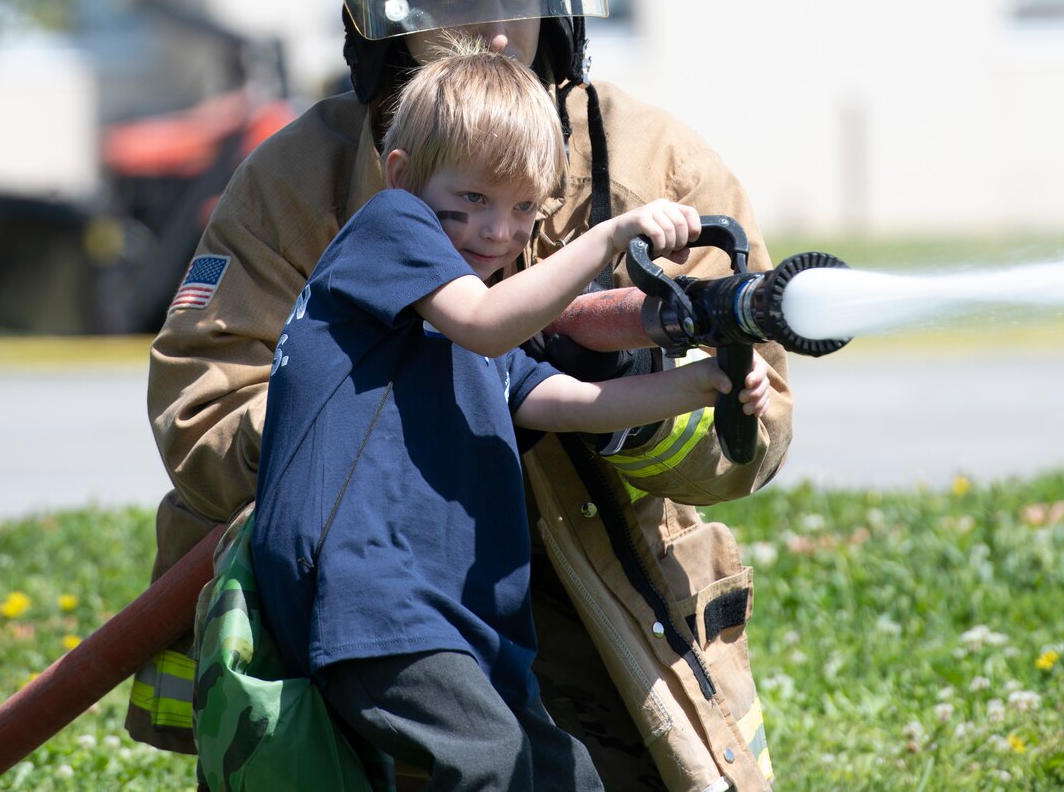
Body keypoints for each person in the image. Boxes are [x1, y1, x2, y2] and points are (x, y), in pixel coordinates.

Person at [129, 0, 789, 792]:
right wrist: (359, 427)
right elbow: (201, 398)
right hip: (368, 607)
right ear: (382, 1)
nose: (489, 32)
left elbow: (756, 429)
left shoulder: (653, 163)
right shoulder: (300, 184)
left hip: (594, 601)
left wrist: (665, 390)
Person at [250, 45, 770, 792]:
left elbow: (574, 403)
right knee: (491, 764)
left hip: (454, 618)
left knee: (566, 778)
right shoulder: (390, 230)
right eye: (471, 200)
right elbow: (488, 322)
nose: (498, 230)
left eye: (525, 208)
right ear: (403, 176)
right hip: (371, 595)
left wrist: (707, 382)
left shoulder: (466, 327)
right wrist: (611, 237)